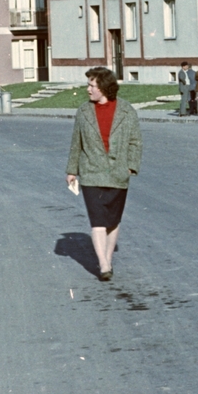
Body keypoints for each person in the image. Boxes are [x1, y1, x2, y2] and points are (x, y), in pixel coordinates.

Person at [66, 66, 142, 282]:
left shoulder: (127, 111)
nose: (88, 89)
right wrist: (72, 170)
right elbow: (76, 143)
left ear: (104, 87)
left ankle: (107, 259)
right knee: (98, 219)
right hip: (91, 172)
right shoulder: (83, 111)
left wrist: (131, 166)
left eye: (92, 85)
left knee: (112, 220)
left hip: (118, 173)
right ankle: (104, 263)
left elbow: (136, 141)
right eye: (88, 85)